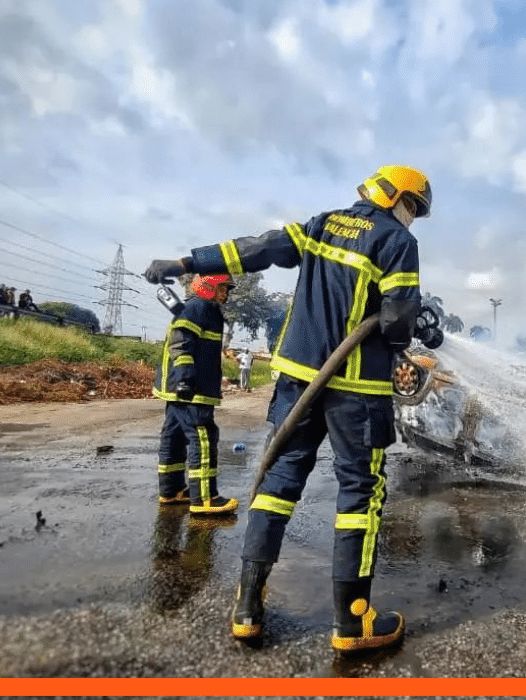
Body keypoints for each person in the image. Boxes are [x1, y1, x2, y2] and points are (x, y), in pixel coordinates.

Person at [144, 165, 435, 653]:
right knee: (361, 494)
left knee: (278, 484)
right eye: (413, 208)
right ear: (397, 198)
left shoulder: (322, 224)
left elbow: (256, 249)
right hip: (358, 391)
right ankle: (353, 622)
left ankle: (247, 608)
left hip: (296, 383)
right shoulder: (397, 241)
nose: (412, 219)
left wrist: (185, 261)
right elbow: (398, 326)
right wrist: (414, 325)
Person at [153, 274, 239, 516]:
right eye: (223, 288)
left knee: (175, 435)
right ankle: (205, 498)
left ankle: (171, 491)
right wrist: (185, 379)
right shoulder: (199, 307)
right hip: (192, 389)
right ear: (209, 287)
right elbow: (181, 343)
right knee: (203, 436)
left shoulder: (199, 308)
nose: (226, 294)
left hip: (181, 387)